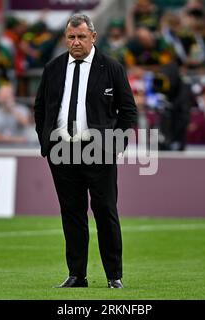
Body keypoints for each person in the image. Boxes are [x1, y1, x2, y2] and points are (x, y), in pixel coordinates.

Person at [34, 14, 137, 289]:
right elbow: (41, 108)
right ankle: (77, 275)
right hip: (62, 152)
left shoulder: (111, 67)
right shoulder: (53, 68)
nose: (76, 42)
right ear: (65, 38)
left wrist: (116, 146)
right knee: (71, 214)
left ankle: (114, 276)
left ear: (93, 37)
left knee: (105, 212)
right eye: (71, 37)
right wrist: (47, 141)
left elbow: (128, 112)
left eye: (81, 37)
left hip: (98, 152)